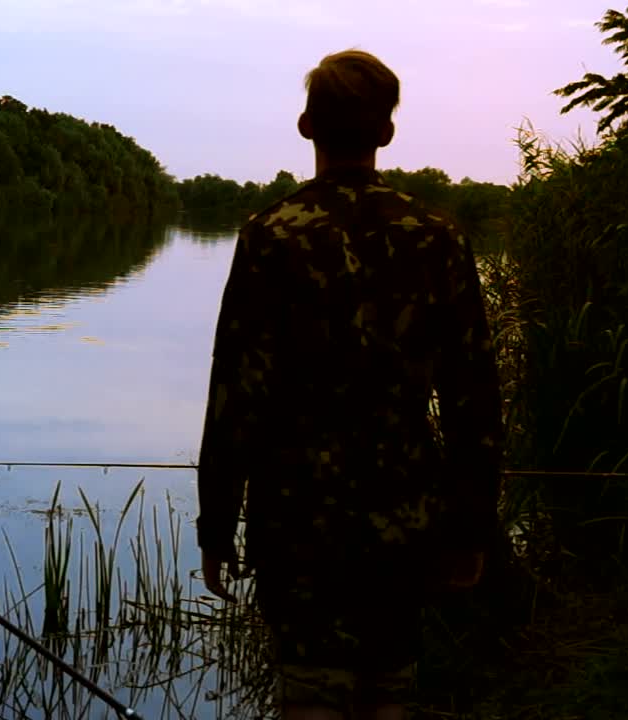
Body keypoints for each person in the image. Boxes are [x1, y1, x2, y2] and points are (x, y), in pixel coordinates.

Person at [195, 49, 504, 720]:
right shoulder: (437, 237)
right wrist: (472, 525)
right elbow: (472, 395)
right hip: (406, 516)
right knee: (390, 686)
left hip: (297, 517)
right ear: (386, 133)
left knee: (309, 690)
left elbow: (235, 396)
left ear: (307, 126)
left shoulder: (270, 236)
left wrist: (217, 526)